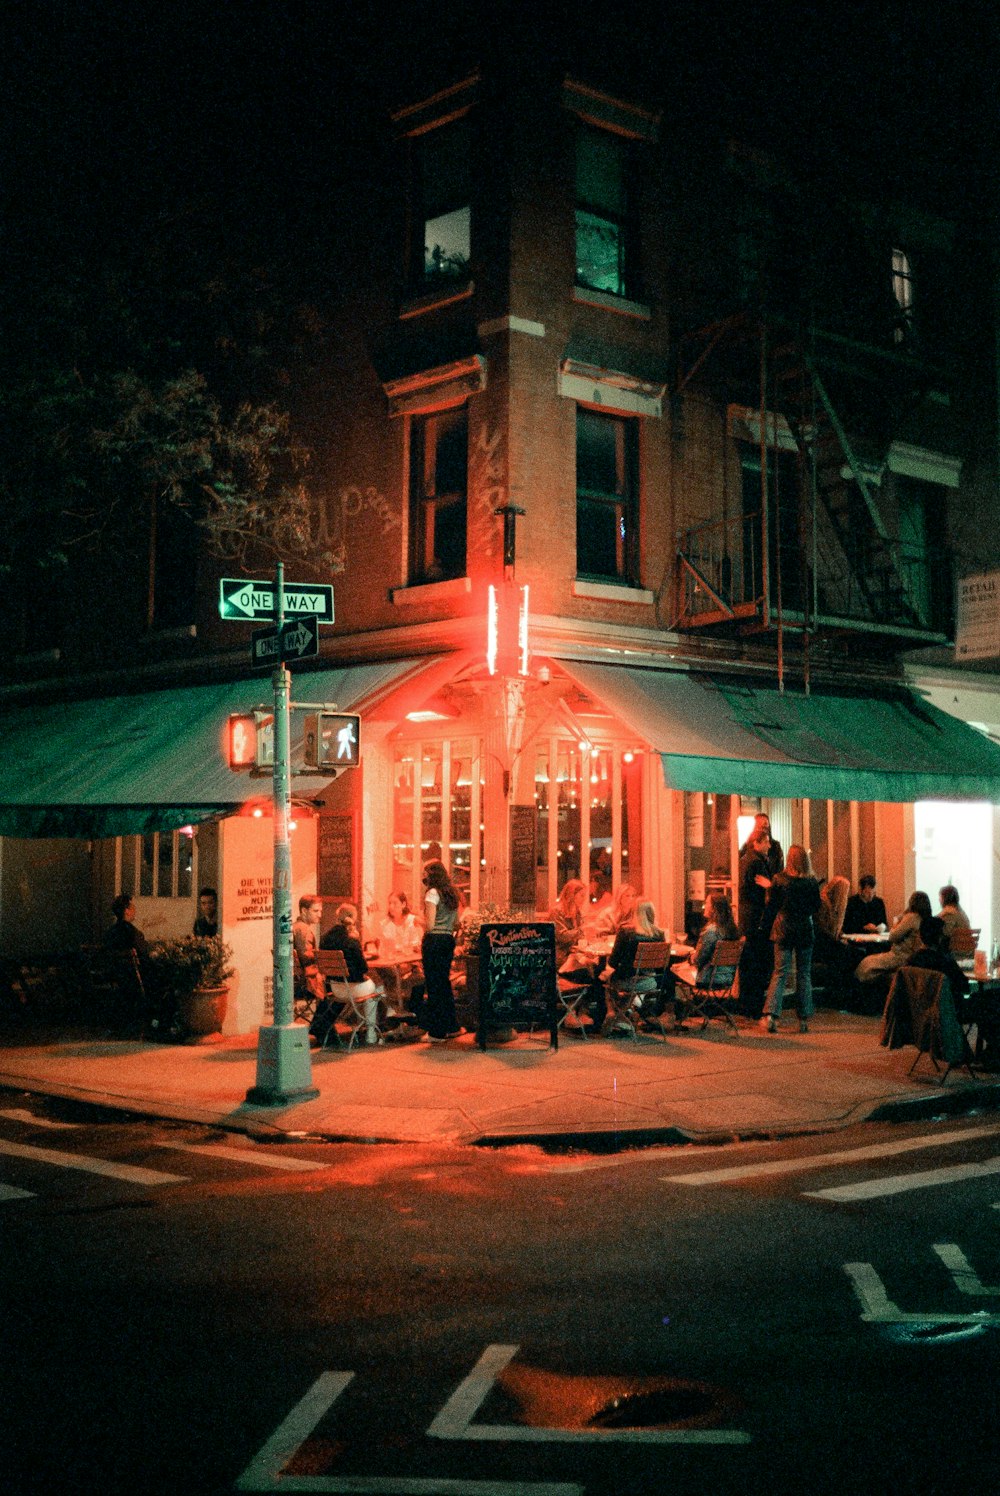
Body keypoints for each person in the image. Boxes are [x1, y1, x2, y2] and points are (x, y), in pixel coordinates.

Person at [760, 844, 822, 1033]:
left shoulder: (779, 879)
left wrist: (763, 925)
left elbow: (771, 905)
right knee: (804, 973)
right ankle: (803, 1018)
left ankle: (772, 1016)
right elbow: (816, 906)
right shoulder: (811, 881)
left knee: (780, 972)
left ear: (790, 858)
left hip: (784, 928)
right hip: (804, 929)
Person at [599, 899, 671, 1035]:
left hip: (627, 981)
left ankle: (612, 1012)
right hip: (650, 982)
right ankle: (623, 1016)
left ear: (635, 913)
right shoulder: (659, 934)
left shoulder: (626, 932)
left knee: (604, 977)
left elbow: (613, 962)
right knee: (628, 983)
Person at [315, 902, 383, 1045]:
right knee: (379, 985)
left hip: (335, 988)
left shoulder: (325, 937)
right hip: (352, 989)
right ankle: (371, 1032)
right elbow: (363, 967)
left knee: (372, 984)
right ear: (351, 918)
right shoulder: (351, 938)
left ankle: (364, 1026)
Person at [855, 890, 933, 1007]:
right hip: (912, 956)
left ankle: (864, 1000)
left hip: (900, 956)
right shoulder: (925, 918)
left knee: (866, 963)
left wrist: (900, 919)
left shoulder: (911, 917)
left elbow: (893, 936)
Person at [672, 891, 739, 1027]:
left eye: (707, 903)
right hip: (726, 976)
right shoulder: (732, 930)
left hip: (708, 977)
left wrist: (689, 958)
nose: (704, 906)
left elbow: (698, 959)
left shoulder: (710, 932)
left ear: (713, 908)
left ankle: (676, 1014)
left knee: (671, 972)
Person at [421, 860, 464, 1042]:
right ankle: (452, 1026)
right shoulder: (452, 894)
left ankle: (436, 1032)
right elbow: (456, 924)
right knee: (444, 984)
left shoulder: (432, 894)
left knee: (434, 986)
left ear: (431, 874)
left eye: (425, 872)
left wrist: (419, 921)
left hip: (434, 941)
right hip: (448, 940)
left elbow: (430, 925)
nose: (423, 876)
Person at [738, 827, 773, 1016]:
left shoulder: (745, 860)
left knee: (748, 963)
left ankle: (746, 1003)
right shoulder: (757, 863)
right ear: (756, 843)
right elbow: (761, 894)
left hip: (747, 920)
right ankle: (754, 1006)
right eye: (766, 841)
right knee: (757, 964)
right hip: (756, 921)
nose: (769, 845)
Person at [905, 916, 970, 999]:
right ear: (940, 938)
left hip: (918, 1009)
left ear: (920, 936)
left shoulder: (910, 962)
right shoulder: (945, 962)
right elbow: (965, 987)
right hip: (946, 1009)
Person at [292, 895, 325, 1007]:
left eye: (320, 911)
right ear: (304, 910)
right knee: (339, 989)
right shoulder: (304, 930)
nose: (319, 915)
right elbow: (305, 955)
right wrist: (321, 955)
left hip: (296, 981)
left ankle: (320, 1022)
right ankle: (321, 1024)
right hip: (306, 984)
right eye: (315, 911)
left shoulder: (295, 927)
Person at [103, 893, 149, 960]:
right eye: (133, 907)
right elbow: (144, 955)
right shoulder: (134, 933)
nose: (135, 910)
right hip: (132, 969)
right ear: (126, 911)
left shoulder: (109, 933)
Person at [739, 813, 784, 877]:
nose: (763, 827)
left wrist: (771, 884)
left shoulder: (775, 846)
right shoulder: (747, 846)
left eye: (765, 824)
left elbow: (779, 870)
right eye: (759, 824)